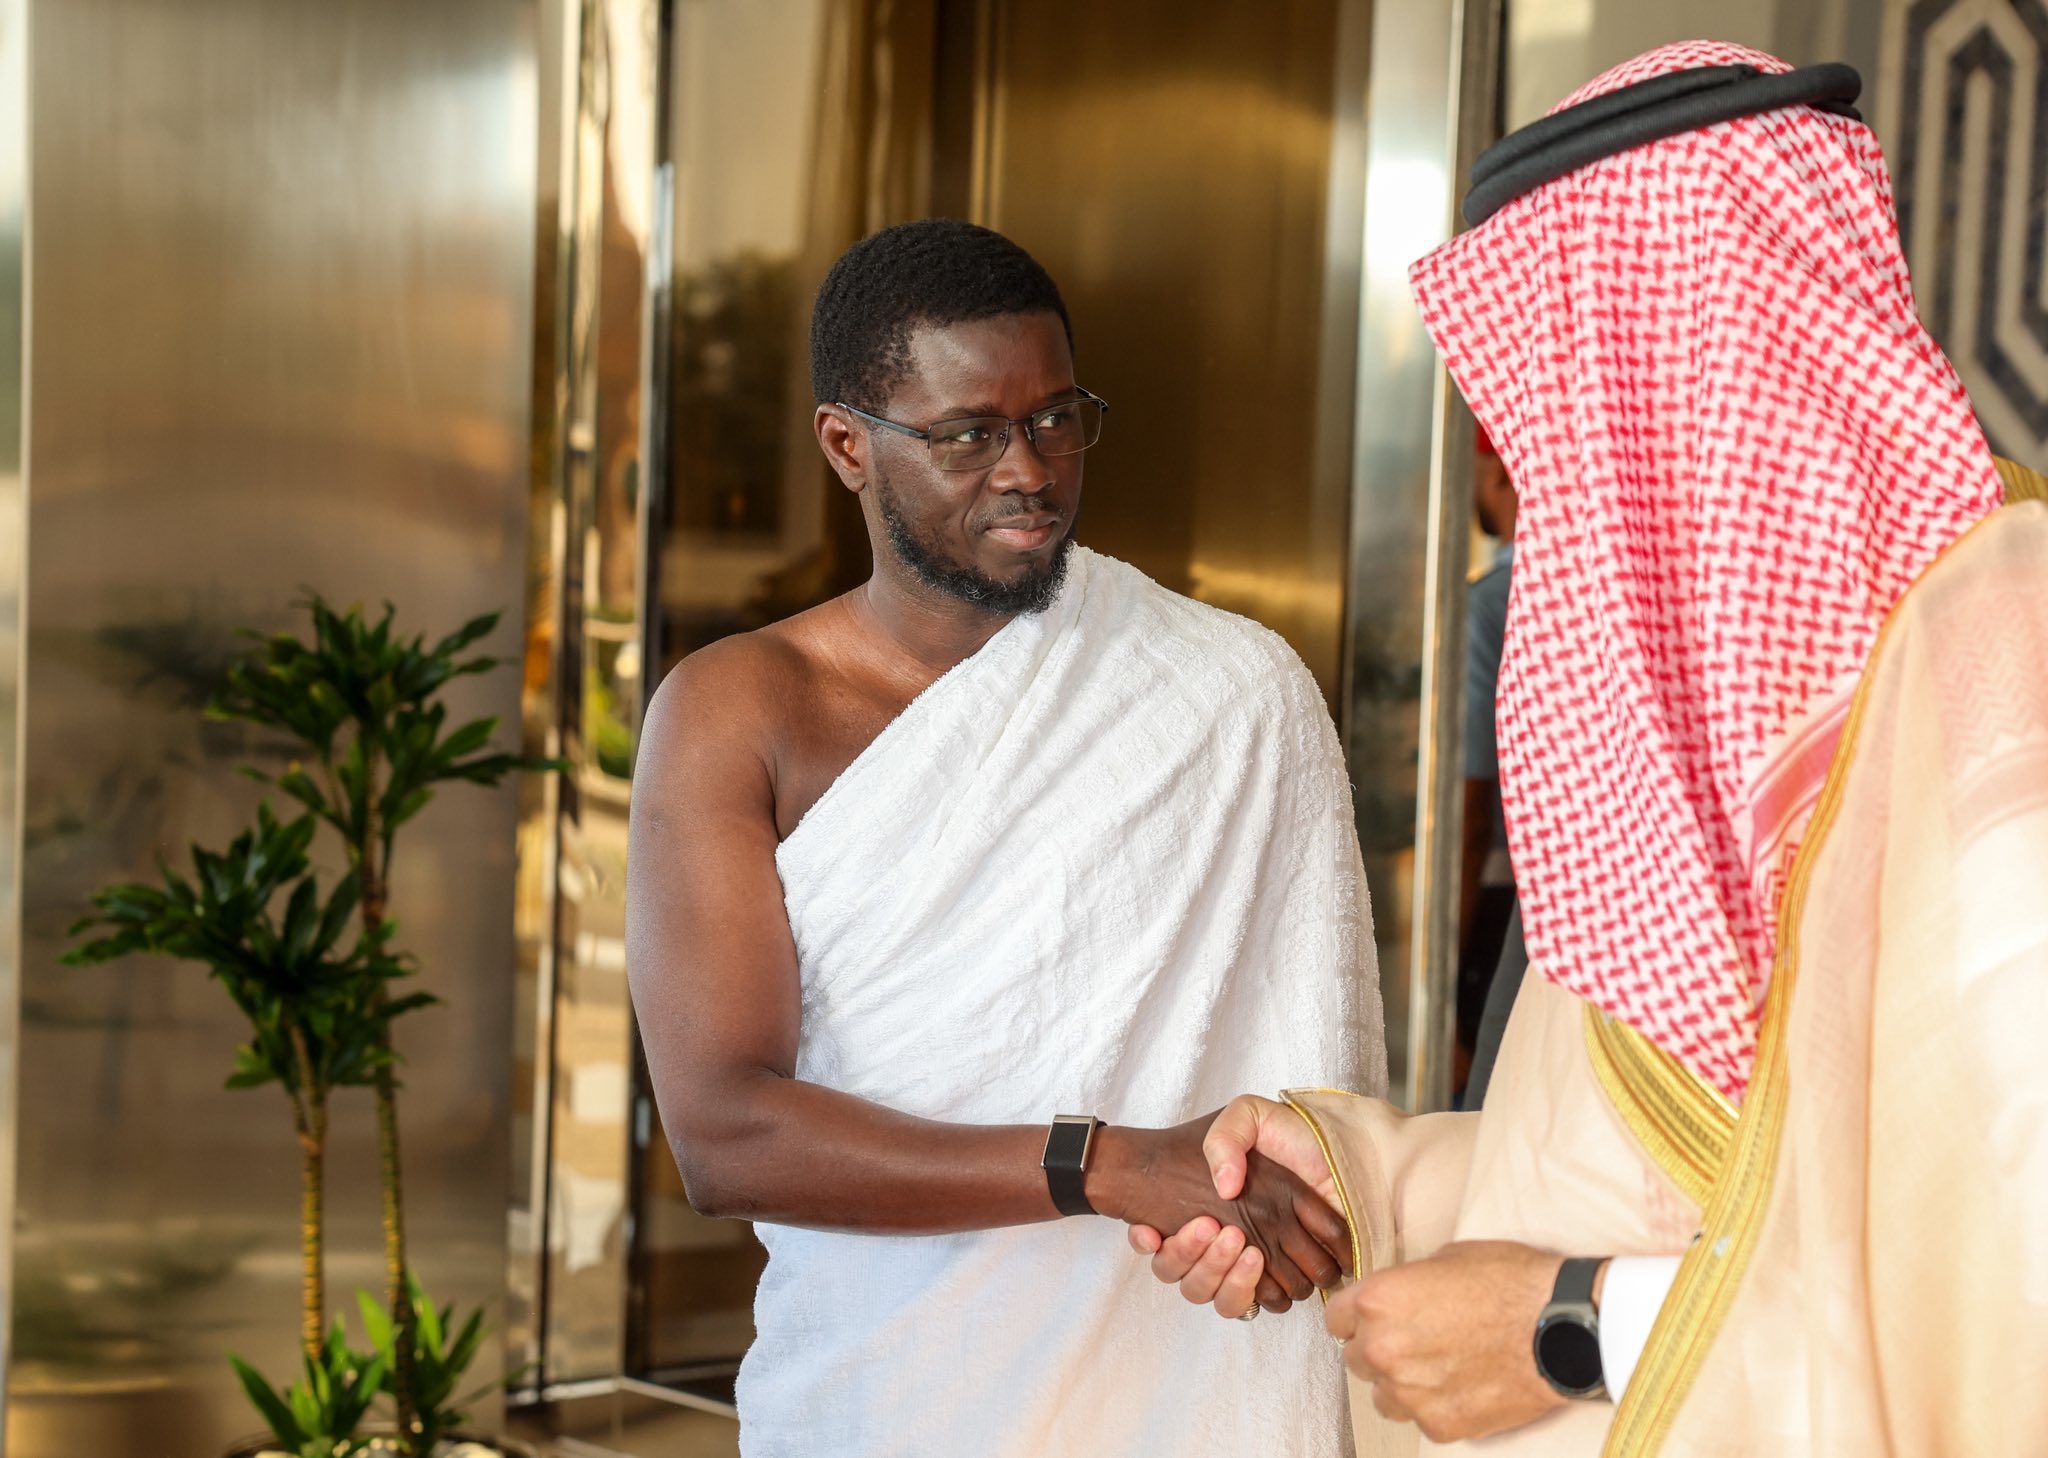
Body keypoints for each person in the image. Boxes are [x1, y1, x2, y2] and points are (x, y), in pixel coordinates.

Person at [1138, 40, 2048, 1455]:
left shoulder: (1995, 692)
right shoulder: (1661, 715)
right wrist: (1365, 1178)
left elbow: (1997, 1291)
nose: (1537, 474)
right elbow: (1662, 1174)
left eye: (1560, 395)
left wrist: (1571, 1327)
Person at [625, 218, 1381, 1458]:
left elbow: (1311, 1079)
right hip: (883, 1402)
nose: (1028, 470)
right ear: (847, 446)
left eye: (1054, 419)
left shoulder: (1235, 691)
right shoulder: (739, 711)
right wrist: (1105, 1164)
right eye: (969, 434)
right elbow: (724, 1134)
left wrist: (1284, 1211)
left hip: (1182, 1392)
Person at [1455, 423, 1518, 1101]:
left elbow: (1472, 806)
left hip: (1499, 911)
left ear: (1498, 470)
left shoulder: (1490, 606)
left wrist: (1443, 980)